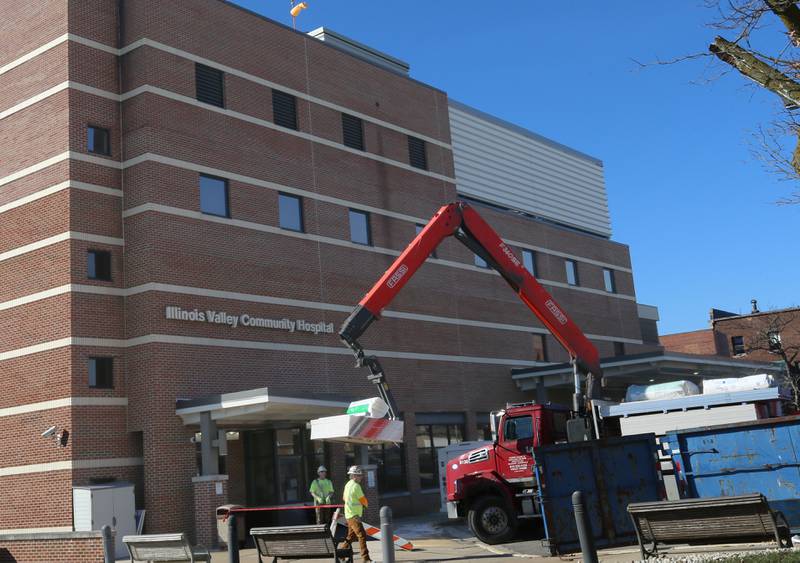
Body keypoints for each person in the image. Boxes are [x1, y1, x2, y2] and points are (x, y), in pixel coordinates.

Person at [339, 465, 370, 562]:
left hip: (348, 515)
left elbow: (344, 498)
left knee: (351, 536)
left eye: (361, 475)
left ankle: (341, 554)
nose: (361, 477)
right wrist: (365, 505)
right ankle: (366, 558)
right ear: (354, 476)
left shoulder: (348, 484)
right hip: (354, 516)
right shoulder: (356, 486)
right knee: (362, 535)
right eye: (359, 475)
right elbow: (363, 500)